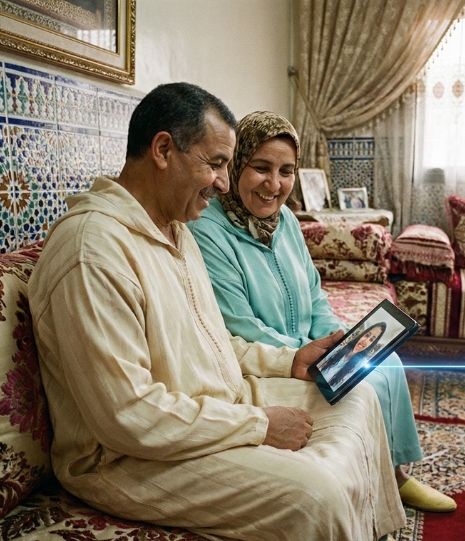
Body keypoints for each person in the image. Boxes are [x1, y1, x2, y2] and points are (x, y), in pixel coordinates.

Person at [27, 83, 405, 540]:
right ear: (163, 149)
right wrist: (259, 425)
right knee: (316, 496)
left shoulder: (175, 228)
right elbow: (127, 418)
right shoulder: (93, 252)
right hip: (128, 459)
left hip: (215, 409)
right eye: (217, 164)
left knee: (357, 397)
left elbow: (211, 338)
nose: (224, 183)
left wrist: (290, 360)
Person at [188, 111, 455, 513]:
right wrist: (310, 354)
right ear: (236, 163)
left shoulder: (288, 221)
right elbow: (238, 325)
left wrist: (343, 339)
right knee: (365, 386)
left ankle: (397, 475)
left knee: (387, 361)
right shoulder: (209, 230)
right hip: (269, 364)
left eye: (286, 171)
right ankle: (375, 485)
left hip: (312, 349)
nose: (273, 184)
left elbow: (314, 297)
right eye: (260, 168)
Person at [320, 322, 387, 390]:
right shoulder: (340, 348)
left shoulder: (362, 365)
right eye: (367, 335)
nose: (365, 341)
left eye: (371, 340)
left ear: (372, 344)